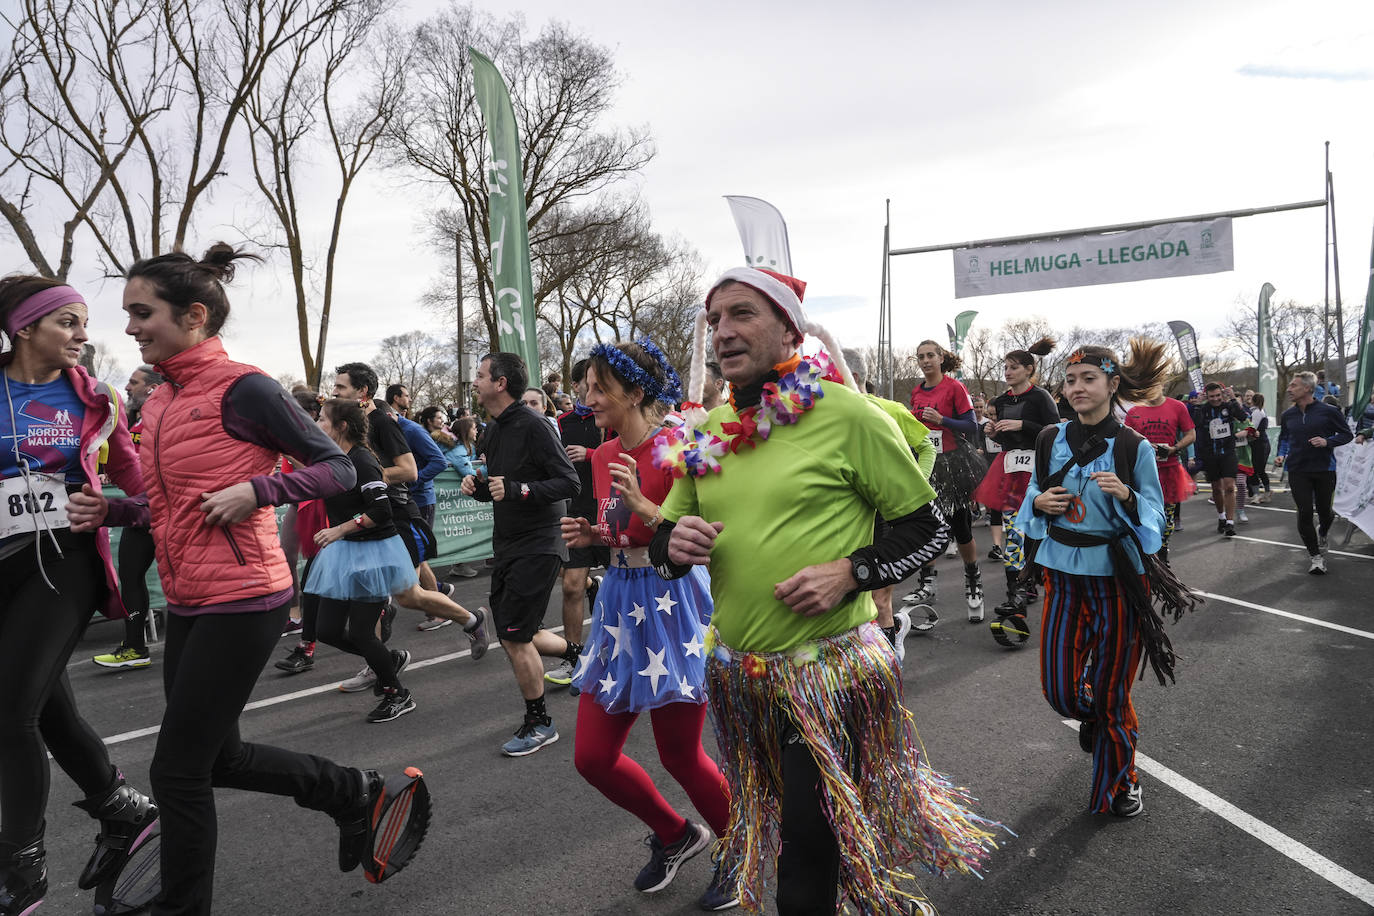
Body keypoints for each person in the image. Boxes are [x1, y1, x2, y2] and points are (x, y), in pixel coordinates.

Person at [65, 245, 430, 914]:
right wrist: (112, 510)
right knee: (216, 757)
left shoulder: (247, 388)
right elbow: (172, 505)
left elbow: (342, 470)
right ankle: (351, 793)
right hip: (190, 598)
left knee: (176, 770)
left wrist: (259, 490)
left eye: (142, 313)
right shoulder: (165, 400)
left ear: (194, 314)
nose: (129, 328)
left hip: (245, 596)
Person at [649, 267, 999, 914]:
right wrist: (671, 547)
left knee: (807, 849)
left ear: (789, 328)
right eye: (715, 319)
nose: (723, 331)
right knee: (796, 836)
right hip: (745, 684)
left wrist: (851, 573)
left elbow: (925, 530)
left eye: (741, 314)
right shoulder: (704, 432)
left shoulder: (847, 414)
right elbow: (666, 542)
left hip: (831, 678)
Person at [0, 277, 159, 916]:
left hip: (62, 562)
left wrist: (113, 508)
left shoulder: (98, 400)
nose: (83, 335)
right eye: (67, 322)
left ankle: (20, 866)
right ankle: (122, 811)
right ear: (24, 329)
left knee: (10, 710)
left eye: (82, 322)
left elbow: (150, 492)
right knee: (47, 708)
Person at [559, 339, 735, 907]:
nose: (587, 399)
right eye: (585, 387)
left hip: (673, 602)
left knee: (680, 753)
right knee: (591, 756)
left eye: (597, 388)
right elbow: (623, 531)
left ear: (635, 391)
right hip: (617, 605)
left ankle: (741, 848)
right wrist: (596, 536)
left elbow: (712, 530)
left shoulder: (680, 444)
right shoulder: (606, 450)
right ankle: (676, 834)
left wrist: (647, 512)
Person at [1018, 342, 1191, 819]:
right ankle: (1094, 713)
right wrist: (1036, 504)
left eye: (1089, 379)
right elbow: (1033, 489)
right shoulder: (1049, 439)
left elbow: (1158, 519)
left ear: (1113, 385)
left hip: (1119, 581)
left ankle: (1122, 782)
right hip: (1062, 576)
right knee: (1060, 692)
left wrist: (1131, 497)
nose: (1077, 388)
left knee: (1114, 695)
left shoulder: (1133, 447)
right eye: (1071, 381)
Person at [328, 364, 486, 683]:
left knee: (407, 595)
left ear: (362, 393)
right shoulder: (352, 424)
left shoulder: (384, 423)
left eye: (341, 387)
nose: (334, 392)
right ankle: (379, 664)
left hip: (399, 516)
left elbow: (410, 470)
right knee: (371, 593)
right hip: (373, 516)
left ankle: (471, 620)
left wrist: (367, 477)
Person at [461, 352, 582, 757]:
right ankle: (581, 656)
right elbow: (499, 484)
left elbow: (568, 482)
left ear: (499, 383)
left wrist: (519, 490)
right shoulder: (491, 431)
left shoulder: (534, 426)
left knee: (514, 636)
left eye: (480, 375)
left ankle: (541, 722)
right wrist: (477, 486)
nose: (474, 381)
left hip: (540, 541)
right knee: (519, 631)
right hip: (507, 542)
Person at [307, 398, 420, 722]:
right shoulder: (333, 458)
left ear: (341, 426)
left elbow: (381, 511)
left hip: (373, 553)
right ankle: (386, 659)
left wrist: (340, 529)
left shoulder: (363, 461)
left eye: (323, 421)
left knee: (360, 632)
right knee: (326, 630)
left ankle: (397, 693)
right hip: (344, 552)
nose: (318, 426)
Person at [974, 337, 1059, 645]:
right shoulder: (1000, 401)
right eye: (1005, 367)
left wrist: (1022, 424)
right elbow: (1002, 438)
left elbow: (1055, 432)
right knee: (1013, 531)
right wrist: (992, 431)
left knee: (1039, 530)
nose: (1007, 372)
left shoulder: (1041, 398)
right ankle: (1016, 595)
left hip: (1037, 472)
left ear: (1029, 369)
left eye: (1013, 367)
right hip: (1010, 471)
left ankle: (1036, 579)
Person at [904, 339, 986, 626]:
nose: (925, 361)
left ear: (941, 358)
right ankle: (928, 583)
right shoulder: (916, 391)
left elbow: (972, 426)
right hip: (927, 464)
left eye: (930, 355)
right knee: (926, 525)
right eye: (920, 356)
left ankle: (973, 579)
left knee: (960, 526)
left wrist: (942, 419)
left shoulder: (954, 387)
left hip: (954, 464)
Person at [93, 364, 165, 669]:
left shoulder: (166, 416)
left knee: (179, 577)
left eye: (133, 383)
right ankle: (135, 646)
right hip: (142, 509)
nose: (127, 388)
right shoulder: (135, 421)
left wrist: (157, 508)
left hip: (161, 510)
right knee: (131, 577)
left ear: (151, 387)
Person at [550, 358, 607, 688]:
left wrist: (592, 454)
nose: (593, 390)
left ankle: (628, 655)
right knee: (571, 587)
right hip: (577, 513)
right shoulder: (562, 423)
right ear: (576, 386)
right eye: (589, 383)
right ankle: (573, 658)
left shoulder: (614, 419)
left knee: (627, 591)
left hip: (613, 513)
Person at [1275, 371, 1353, 574]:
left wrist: (1327, 442)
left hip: (1324, 469)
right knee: (1305, 512)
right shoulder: (1288, 415)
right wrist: (1281, 454)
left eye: (1294, 386)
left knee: (1325, 513)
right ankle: (1315, 557)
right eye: (1290, 385)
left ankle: (1323, 530)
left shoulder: (1328, 411)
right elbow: (1284, 438)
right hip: (1298, 469)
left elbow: (1347, 434)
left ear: (1308, 388)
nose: (1289, 389)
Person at [1123, 344, 1196, 563]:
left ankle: (1162, 553)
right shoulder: (1134, 411)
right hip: (1143, 473)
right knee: (1143, 515)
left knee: (1166, 517)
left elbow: (1191, 434)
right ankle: (1149, 553)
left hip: (1170, 470)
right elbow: (1125, 439)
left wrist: (1175, 448)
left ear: (1162, 383)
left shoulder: (1177, 407)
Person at [1190, 382, 1247, 537]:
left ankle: (1230, 523)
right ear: (1206, 396)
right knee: (1216, 489)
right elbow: (1193, 424)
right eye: (1211, 397)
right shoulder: (1203, 409)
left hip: (1228, 452)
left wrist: (1233, 398)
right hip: (1210, 454)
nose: (1215, 399)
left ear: (1222, 394)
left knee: (1229, 487)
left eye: (1217, 396)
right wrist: (1197, 404)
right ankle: (1221, 517)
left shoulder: (1229, 407)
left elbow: (1243, 417)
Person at [1248, 393, 1273, 502]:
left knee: (1256, 469)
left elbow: (1252, 428)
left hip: (1259, 444)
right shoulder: (1259, 411)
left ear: (1254, 401)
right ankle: (1265, 492)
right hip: (1260, 444)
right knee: (1258, 469)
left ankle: (1258, 494)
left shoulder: (1257, 412)